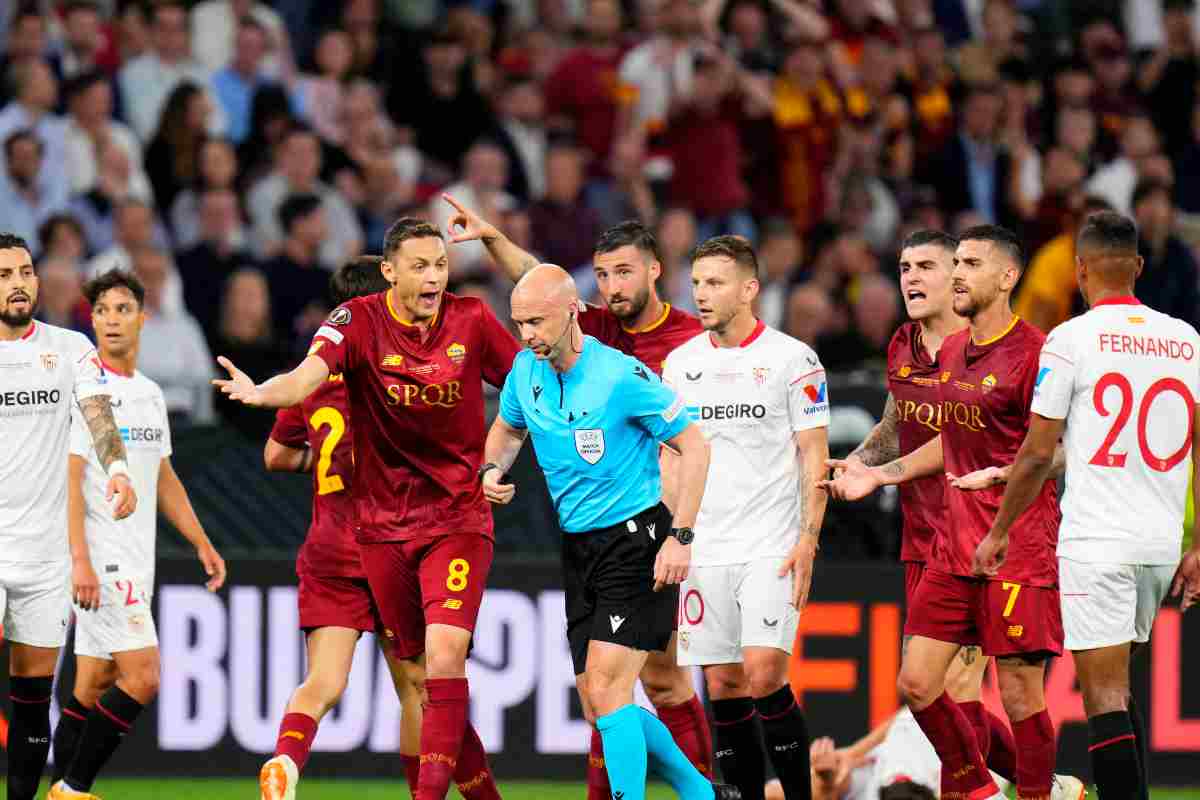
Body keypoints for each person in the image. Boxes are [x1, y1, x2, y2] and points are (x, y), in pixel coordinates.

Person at [214, 218, 519, 800]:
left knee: (332, 681)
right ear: (387, 278)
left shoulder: (455, 324)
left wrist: (272, 404)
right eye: (419, 267)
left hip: (357, 538)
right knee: (421, 685)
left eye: (439, 266)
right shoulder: (361, 340)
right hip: (383, 535)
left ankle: (287, 760)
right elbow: (306, 377)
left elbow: (277, 451)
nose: (432, 278)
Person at [445, 194, 714, 798]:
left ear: (573, 314)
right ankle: (702, 793)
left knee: (616, 689)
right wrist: (490, 469)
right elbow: (507, 429)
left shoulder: (621, 375)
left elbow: (695, 446)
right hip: (580, 546)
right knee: (597, 701)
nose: (527, 336)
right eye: (519, 324)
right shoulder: (525, 371)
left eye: (536, 323)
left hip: (637, 540)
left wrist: (681, 535)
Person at [837, 229, 1084, 800]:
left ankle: (1036, 793)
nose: (951, 275)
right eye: (906, 267)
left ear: (1005, 276)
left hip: (1015, 541)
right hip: (946, 538)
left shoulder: (1038, 353)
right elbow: (940, 439)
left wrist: (1003, 475)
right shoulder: (937, 351)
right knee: (921, 683)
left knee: (1008, 692)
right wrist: (874, 471)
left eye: (965, 264)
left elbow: (1059, 450)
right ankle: (987, 791)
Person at [972, 210, 1200, 800]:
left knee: (1103, 697)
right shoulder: (1186, 340)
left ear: (1078, 270)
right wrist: (1198, 544)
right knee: (1119, 690)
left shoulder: (1070, 340)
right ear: (1139, 267)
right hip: (1160, 545)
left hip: (1096, 542)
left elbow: (1036, 452)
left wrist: (999, 530)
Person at [47, 269, 227, 800]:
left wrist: (200, 540)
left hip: (135, 556)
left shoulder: (148, 394)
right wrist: (80, 559)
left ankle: (60, 789)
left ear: (142, 319)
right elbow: (71, 480)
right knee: (144, 676)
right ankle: (73, 789)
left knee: (91, 686)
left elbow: (162, 476)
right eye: (101, 310)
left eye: (122, 309)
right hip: (103, 559)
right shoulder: (87, 391)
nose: (111, 320)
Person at [661, 235, 829, 800]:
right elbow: (670, 457)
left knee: (763, 673)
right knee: (724, 683)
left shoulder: (793, 360)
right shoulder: (680, 365)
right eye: (697, 282)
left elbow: (814, 454)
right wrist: (675, 534)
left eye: (715, 282)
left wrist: (808, 540)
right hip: (705, 545)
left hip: (770, 543)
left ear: (749, 289)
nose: (701, 294)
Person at [0, 233, 136, 800]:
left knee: (32, 702)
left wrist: (119, 469)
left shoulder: (71, 348)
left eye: (25, 272)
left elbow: (99, 415)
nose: (18, 284)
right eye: (4, 275)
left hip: (45, 554)